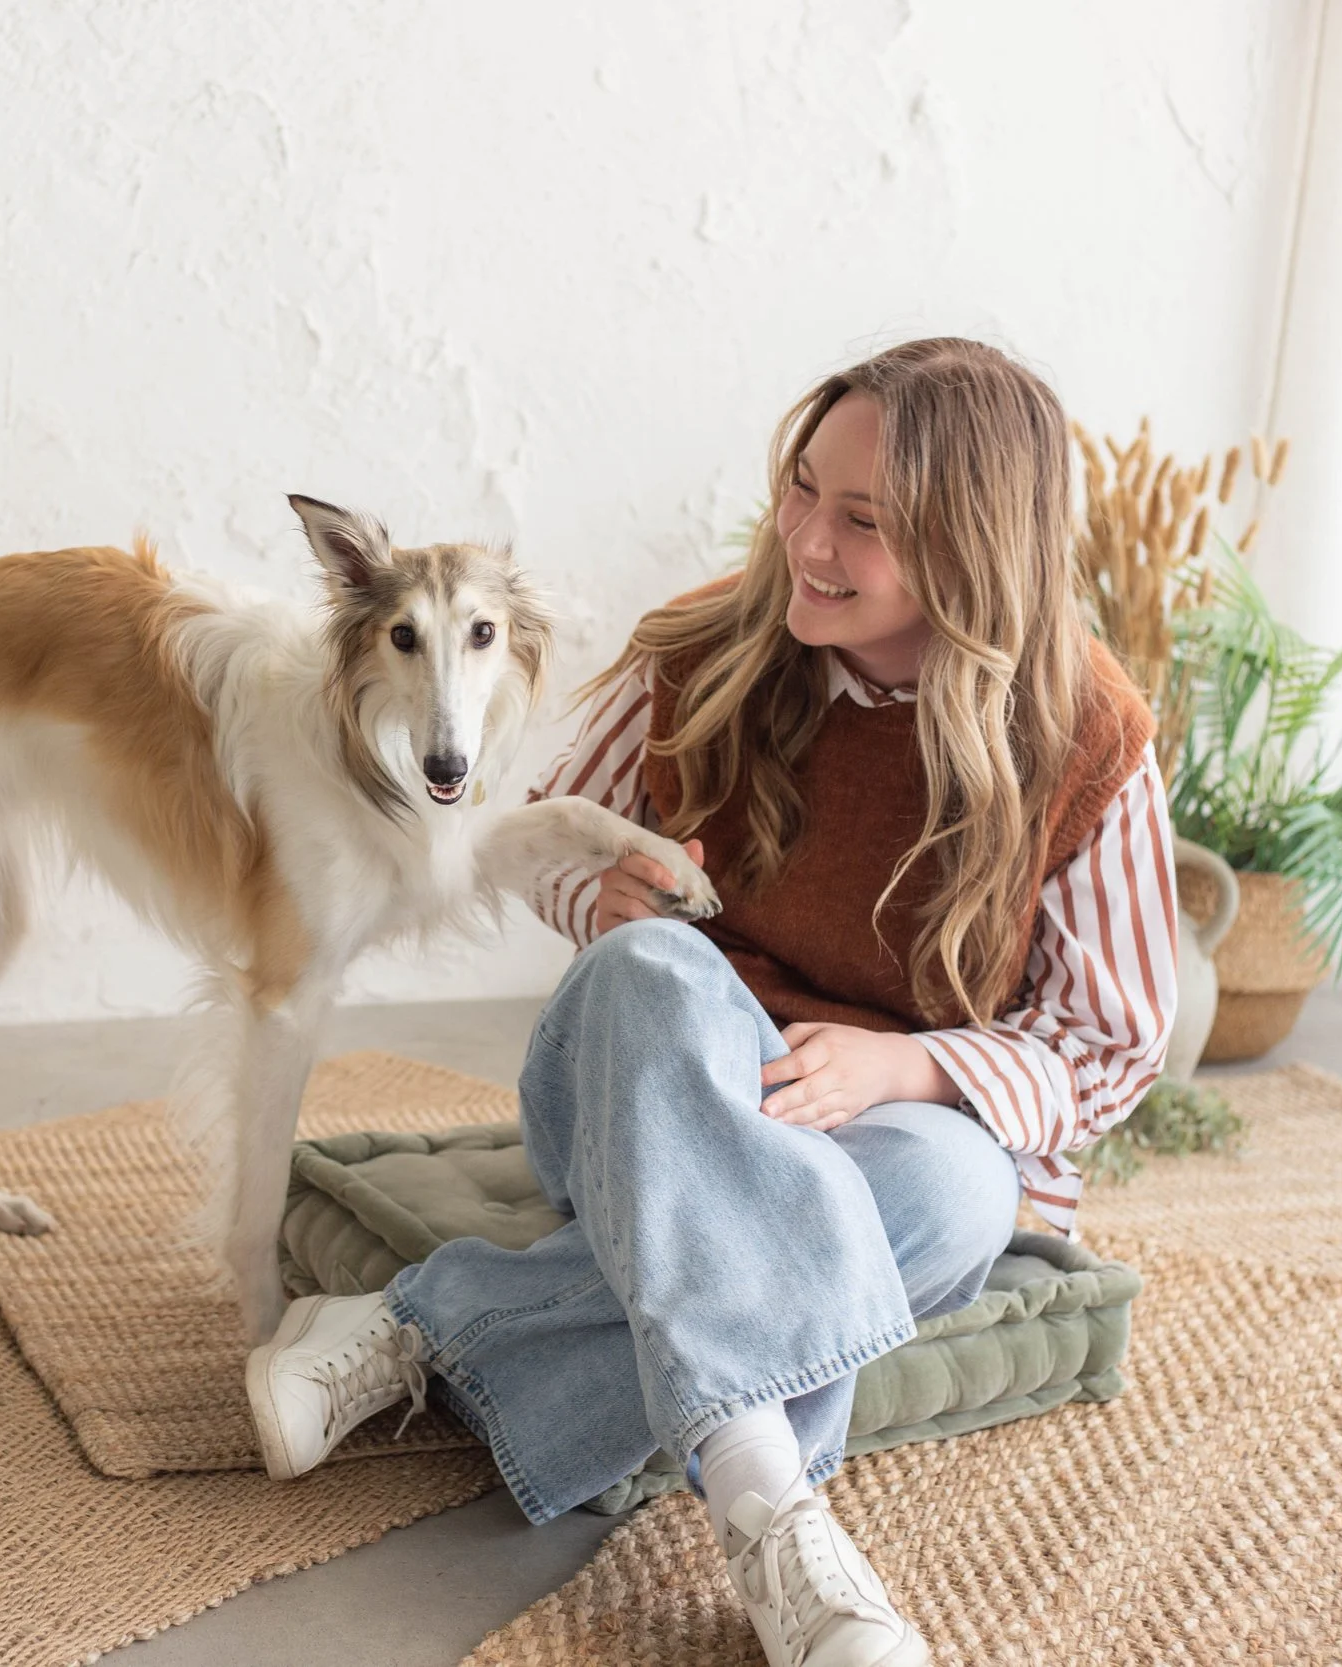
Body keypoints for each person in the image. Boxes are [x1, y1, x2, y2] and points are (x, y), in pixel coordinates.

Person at [245, 338, 1176, 1667]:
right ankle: (773, 1516)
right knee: (655, 966)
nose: (804, 539)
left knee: (964, 1190)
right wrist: (599, 900)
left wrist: (902, 1072)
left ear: (972, 551)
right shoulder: (707, 648)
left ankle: (420, 1324)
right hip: (645, 1102)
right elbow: (541, 844)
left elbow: (1114, 1042)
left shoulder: (1088, 733)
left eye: (861, 521)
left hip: (876, 1134)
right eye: (802, 489)